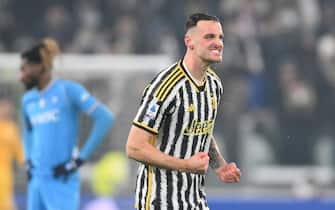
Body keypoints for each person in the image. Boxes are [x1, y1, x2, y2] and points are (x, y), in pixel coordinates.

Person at [126, 13, 241, 210]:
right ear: (189, 42)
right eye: (209, 37)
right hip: (159, 202)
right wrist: (185, 165)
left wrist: (220, 166)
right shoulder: (165, 87)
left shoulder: (214, 85)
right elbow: (134, 147)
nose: (218, 43)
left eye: (220, 37)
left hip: (195, 202)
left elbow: (200, 130)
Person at [20, 38, 114, 210]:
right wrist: (28, 160)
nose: (21, 76)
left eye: (24, 69)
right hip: (36, 180)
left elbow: (105, 118)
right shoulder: (28, 100)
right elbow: (27, 131)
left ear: (40, 67)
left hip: (61, 178)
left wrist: (79, 160)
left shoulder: (67, 91)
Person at [0, 98, 24, 210]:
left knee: (5, 204)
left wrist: (25, 166)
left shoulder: (12, 129)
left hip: (4, 173)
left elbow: (19, 152)